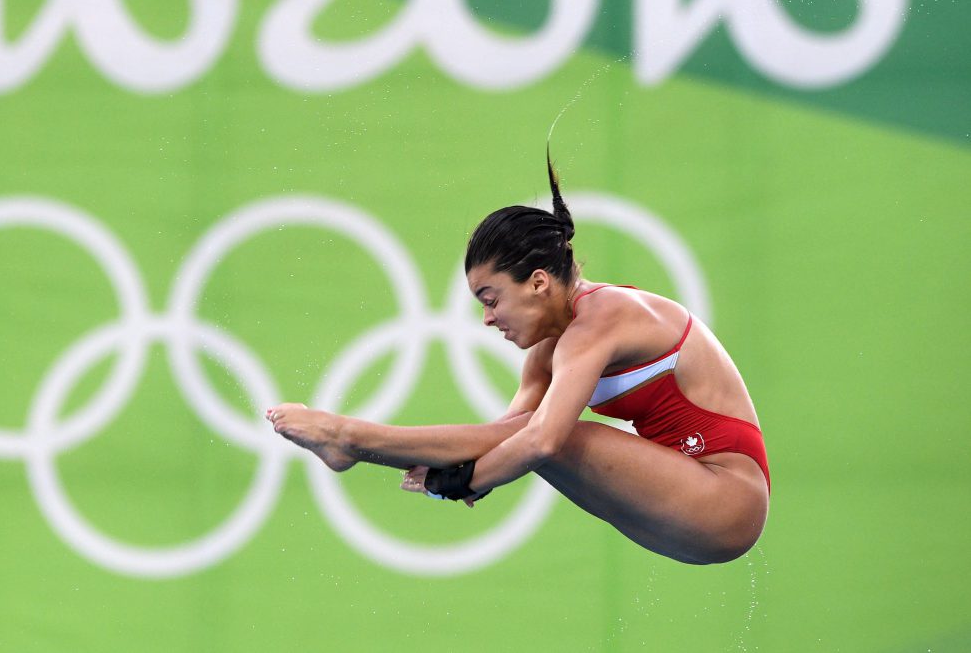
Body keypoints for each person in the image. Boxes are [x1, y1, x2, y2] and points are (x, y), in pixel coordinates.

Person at [267, 155, 769, 565]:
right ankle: (353, 442)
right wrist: (455, 472)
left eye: (491, 298)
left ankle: (350, 437)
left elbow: (544, 441)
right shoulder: (553, 348)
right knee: (530, 433)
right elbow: (503, 433)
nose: (487, 320)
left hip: (725, 502)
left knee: (561, 435)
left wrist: (461, 481)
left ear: (537, 281)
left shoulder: (603, 318)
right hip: (676, 515)